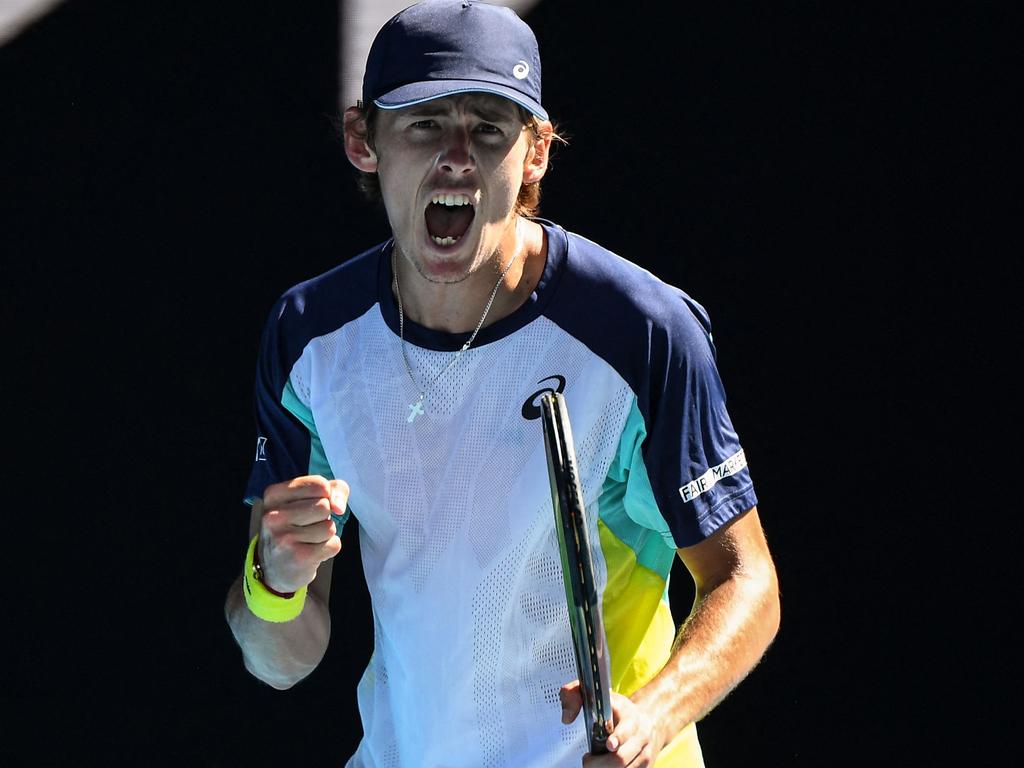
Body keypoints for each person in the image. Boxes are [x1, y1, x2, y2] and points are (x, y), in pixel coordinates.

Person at [224, 1, 781, 765]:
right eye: (424, 123)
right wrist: (274, 577)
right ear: (363, 140)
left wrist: (652, 716)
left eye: (488, 126)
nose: (457, 155)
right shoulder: (308, 337)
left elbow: (746, 581)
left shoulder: (640, 331)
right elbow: (279, 659)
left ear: (537, 151)